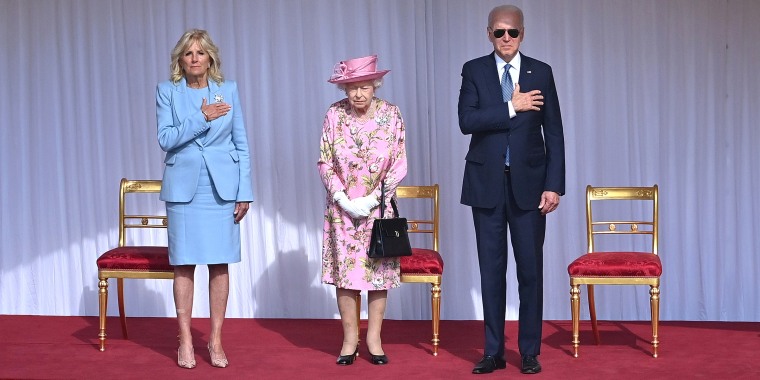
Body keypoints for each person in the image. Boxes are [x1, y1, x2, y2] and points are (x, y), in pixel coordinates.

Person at [457, 5, 565, 375]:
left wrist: (554, 185)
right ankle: (493, 352)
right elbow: (466, 121)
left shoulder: (542, 72)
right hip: (486, 184)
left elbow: (554, 133)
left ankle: (530, 351)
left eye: (512, 32)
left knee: (530, 271)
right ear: (488, 33)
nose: (506, 39)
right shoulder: (474, 70)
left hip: (531, 187)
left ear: (523, 33)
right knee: (491, 270)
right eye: (499, 32)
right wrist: (511, 106)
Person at [156, 29, 253, 369]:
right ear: (180, 60)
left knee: (219, 262)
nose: (194, 58)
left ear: (210, 57)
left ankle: (215, 340)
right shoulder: (167, 91)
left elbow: (241, 144)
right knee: (183, 263)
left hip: (221, 189)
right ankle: (184, 340)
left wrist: (245, 191)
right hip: (184, 189)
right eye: (188, 53)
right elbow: (166, 138)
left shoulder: (228, 90)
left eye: (200, 52)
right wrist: (202, 117)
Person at [317, 55, 408, 366]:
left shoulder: (392, 114)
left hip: (378, 209)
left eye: (364, 87)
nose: (358, 94)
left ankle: (374, 338)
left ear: (375, 85)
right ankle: (349, 339)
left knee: (377, 274)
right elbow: (324, 160)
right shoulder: (333, 114)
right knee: (346, 274)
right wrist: (343, 198)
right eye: (351, 87)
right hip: (341, 211)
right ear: (344, 88)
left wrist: (371, 200)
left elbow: (399, 162)